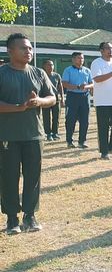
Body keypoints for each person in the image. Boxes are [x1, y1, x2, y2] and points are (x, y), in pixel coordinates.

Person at [0, 33, 56, 235]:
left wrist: (39, 102)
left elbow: (52, 98)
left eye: (30, 48)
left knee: (33, 177)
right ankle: (12, 218)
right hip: (7, 136)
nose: (28, 51)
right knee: (8, 177)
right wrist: (19, 107)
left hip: (34, 134)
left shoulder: (39, 73)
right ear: (10, 51)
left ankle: (30, 216)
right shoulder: (2, 73)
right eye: (23, 48)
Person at [62, 52, 94, 149]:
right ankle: (69, 141)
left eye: (82, 58)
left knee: (85, 120)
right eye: (79, 58)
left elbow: (92, 83)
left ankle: (82, 141)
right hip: (72, 96)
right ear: (73, 59)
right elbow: (64, 83)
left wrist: (86, 87)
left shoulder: (87, 70)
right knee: (70, 120)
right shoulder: (68, 70)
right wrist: (77, 87)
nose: (81, 60)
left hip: (85, 97)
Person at [41, 60, 64, 141]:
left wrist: (62, 99)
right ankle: (48, 133)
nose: (51, 67)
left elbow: (60, 87)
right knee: (46, 117)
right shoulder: (41, 76)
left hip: (56, 99)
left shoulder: (57, 75)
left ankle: (55, 133)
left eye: (52, 65)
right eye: (48, 65)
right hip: (46, 99)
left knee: (56, 117)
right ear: (44, 66)